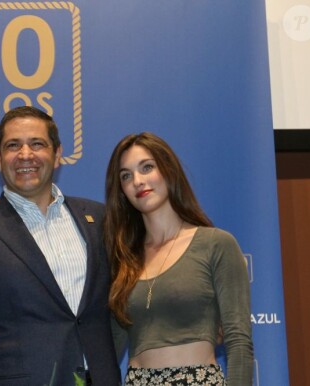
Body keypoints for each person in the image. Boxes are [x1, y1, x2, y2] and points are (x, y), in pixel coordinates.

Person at [0, 106, 121, 386]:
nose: (25, 155)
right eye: (13, 146)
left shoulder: (100, 219)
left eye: (37, 144)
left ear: (57, 155)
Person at [104, 132, 253, 385]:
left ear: (168, 170)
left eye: (147, 167)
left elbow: (239, 341)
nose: (137, 181)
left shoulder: (216, 244)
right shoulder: (124, 258)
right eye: (126, 176)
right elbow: (107, 351)